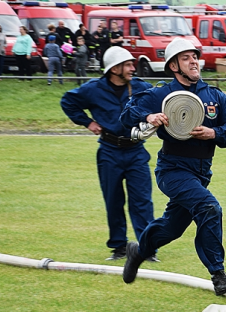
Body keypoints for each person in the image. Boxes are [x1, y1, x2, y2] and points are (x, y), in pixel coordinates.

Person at [120, 37, 226, 296]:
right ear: (174, 65)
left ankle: (138, 251)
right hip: (172, 169)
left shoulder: (215, 96)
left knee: (171, 228)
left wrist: (213, 133)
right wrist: (149, 116)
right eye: (186, 58)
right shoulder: (161, 94)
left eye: (194, 57)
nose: (193, 61)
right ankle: (218, 275)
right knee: (209, 207)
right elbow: (126, 114)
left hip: (201, 172)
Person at [61, 47, 156, 261]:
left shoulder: (140, 87)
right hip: (109, 151)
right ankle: (119, 247)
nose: (133, 68)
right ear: (115, 68)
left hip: (136, 150)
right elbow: (68, 101)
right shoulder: (93, 89)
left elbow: (161, 101)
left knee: (142, 200)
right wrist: (87, 122)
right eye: (128, 64)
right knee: (113, 200)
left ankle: (147, 248)